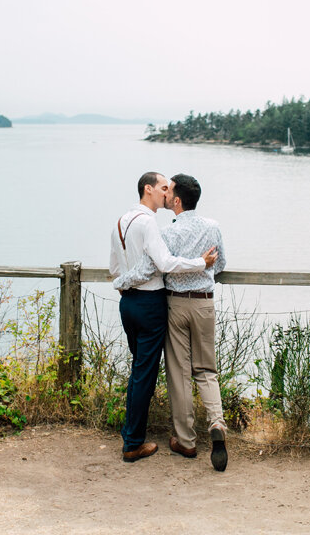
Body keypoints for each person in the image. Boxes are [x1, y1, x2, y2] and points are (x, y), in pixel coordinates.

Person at [114, 174, 228, 471]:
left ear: (176, 200)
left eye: (169, 191)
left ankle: (186, 441)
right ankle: (216, 421)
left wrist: (122, 282)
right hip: (204, 302)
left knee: (179, 373)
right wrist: (203, 273)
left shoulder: (167, 232)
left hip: (176, 304)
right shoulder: (213, 227)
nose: (165, 195)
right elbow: (222, 265)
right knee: (207, 370)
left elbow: (155, 268)